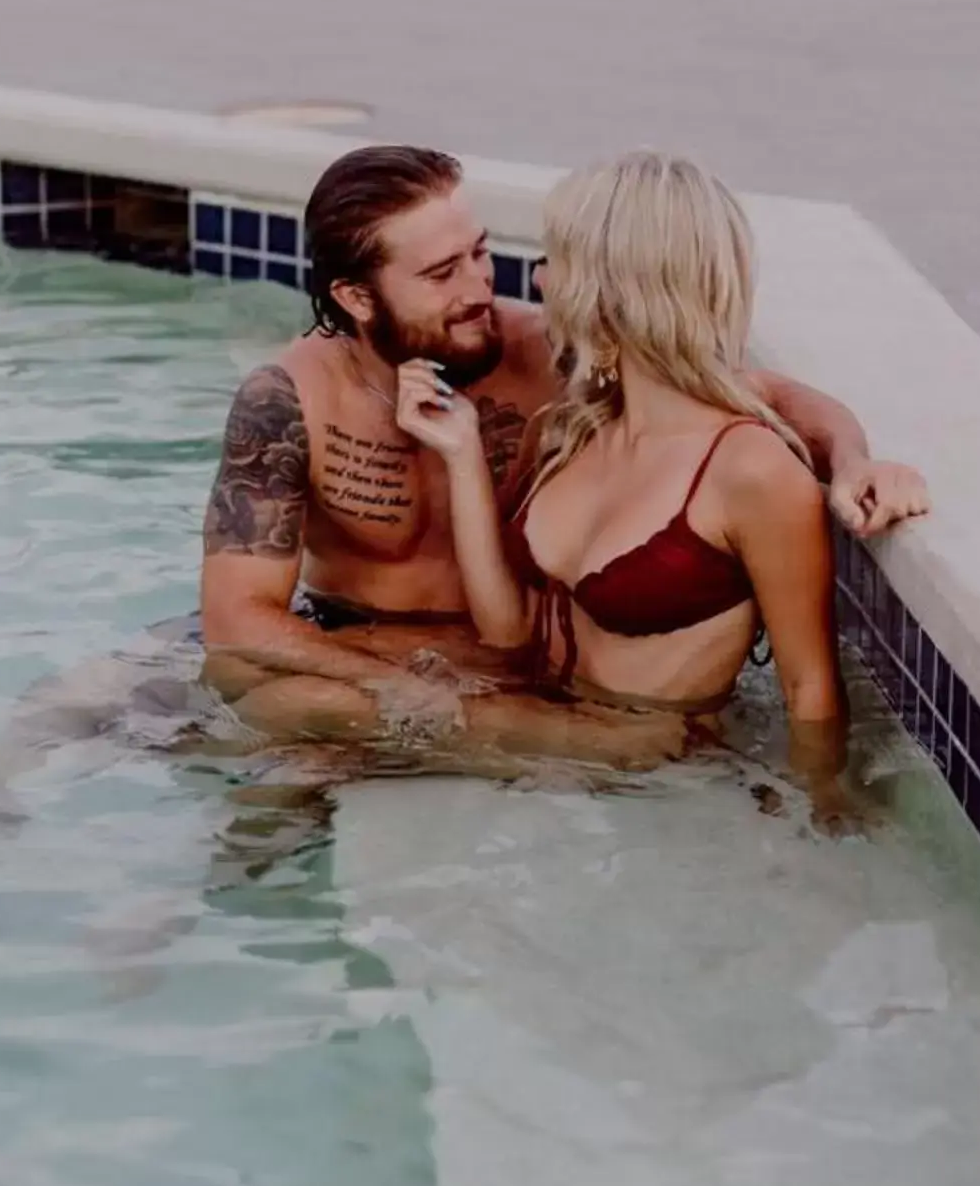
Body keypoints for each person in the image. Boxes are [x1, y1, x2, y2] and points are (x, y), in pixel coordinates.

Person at [202, 143, 927, 760]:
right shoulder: (287, 400)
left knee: (284, 719)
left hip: (522, 671)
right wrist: (405, 689)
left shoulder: (553, 359)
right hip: (386, 647)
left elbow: (757, 395)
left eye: (480, 253)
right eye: (439, 274)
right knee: (171, 705)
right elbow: (239, 622)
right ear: (358, 299)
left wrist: (853, 460)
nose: (482, 287)